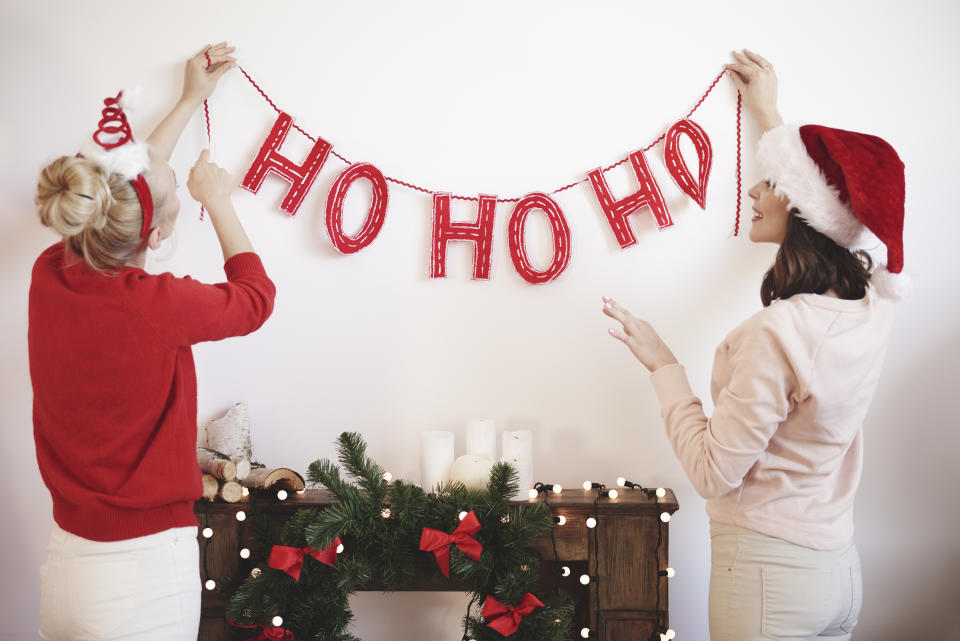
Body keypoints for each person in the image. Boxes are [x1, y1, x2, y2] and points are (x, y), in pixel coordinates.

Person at [602, 50, 906, 641]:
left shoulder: (779, 333)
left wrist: (666, 368)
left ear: (800, 204)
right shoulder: (872, 311)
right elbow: (832, 204)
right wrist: (768, 113)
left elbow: (715, 473)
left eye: (768, 182)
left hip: (772, 579)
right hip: (838, 572)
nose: (752, 191)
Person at [29, 43, 276, 641]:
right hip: (137, 579)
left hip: (67, 567)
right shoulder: (155, 303)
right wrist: (217, 201)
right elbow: (255, 299)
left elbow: (123, 193)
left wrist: (192, 98)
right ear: (160, 233)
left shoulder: (51, 273)